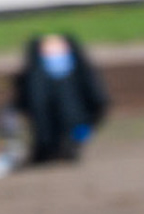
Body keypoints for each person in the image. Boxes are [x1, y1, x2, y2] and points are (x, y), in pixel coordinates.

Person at [13, 33, 110, 165]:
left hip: (61, 132)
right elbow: (99, 100)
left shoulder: (36, 71)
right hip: (70, 129)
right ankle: (66, 144)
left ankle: (63, 145)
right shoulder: (77, 65)